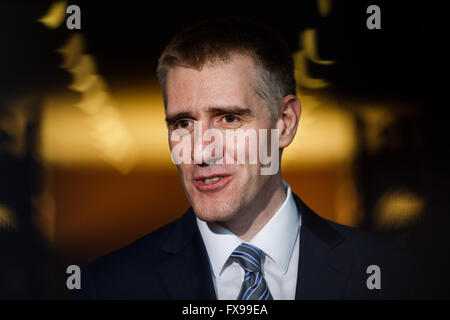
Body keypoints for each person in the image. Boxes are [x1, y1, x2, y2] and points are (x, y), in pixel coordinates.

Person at [76, 17, 426, 299]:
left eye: (229, 118)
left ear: (284, 124)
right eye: (183, 123)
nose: (200, 150)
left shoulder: (395, 277)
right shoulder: (109, 287)